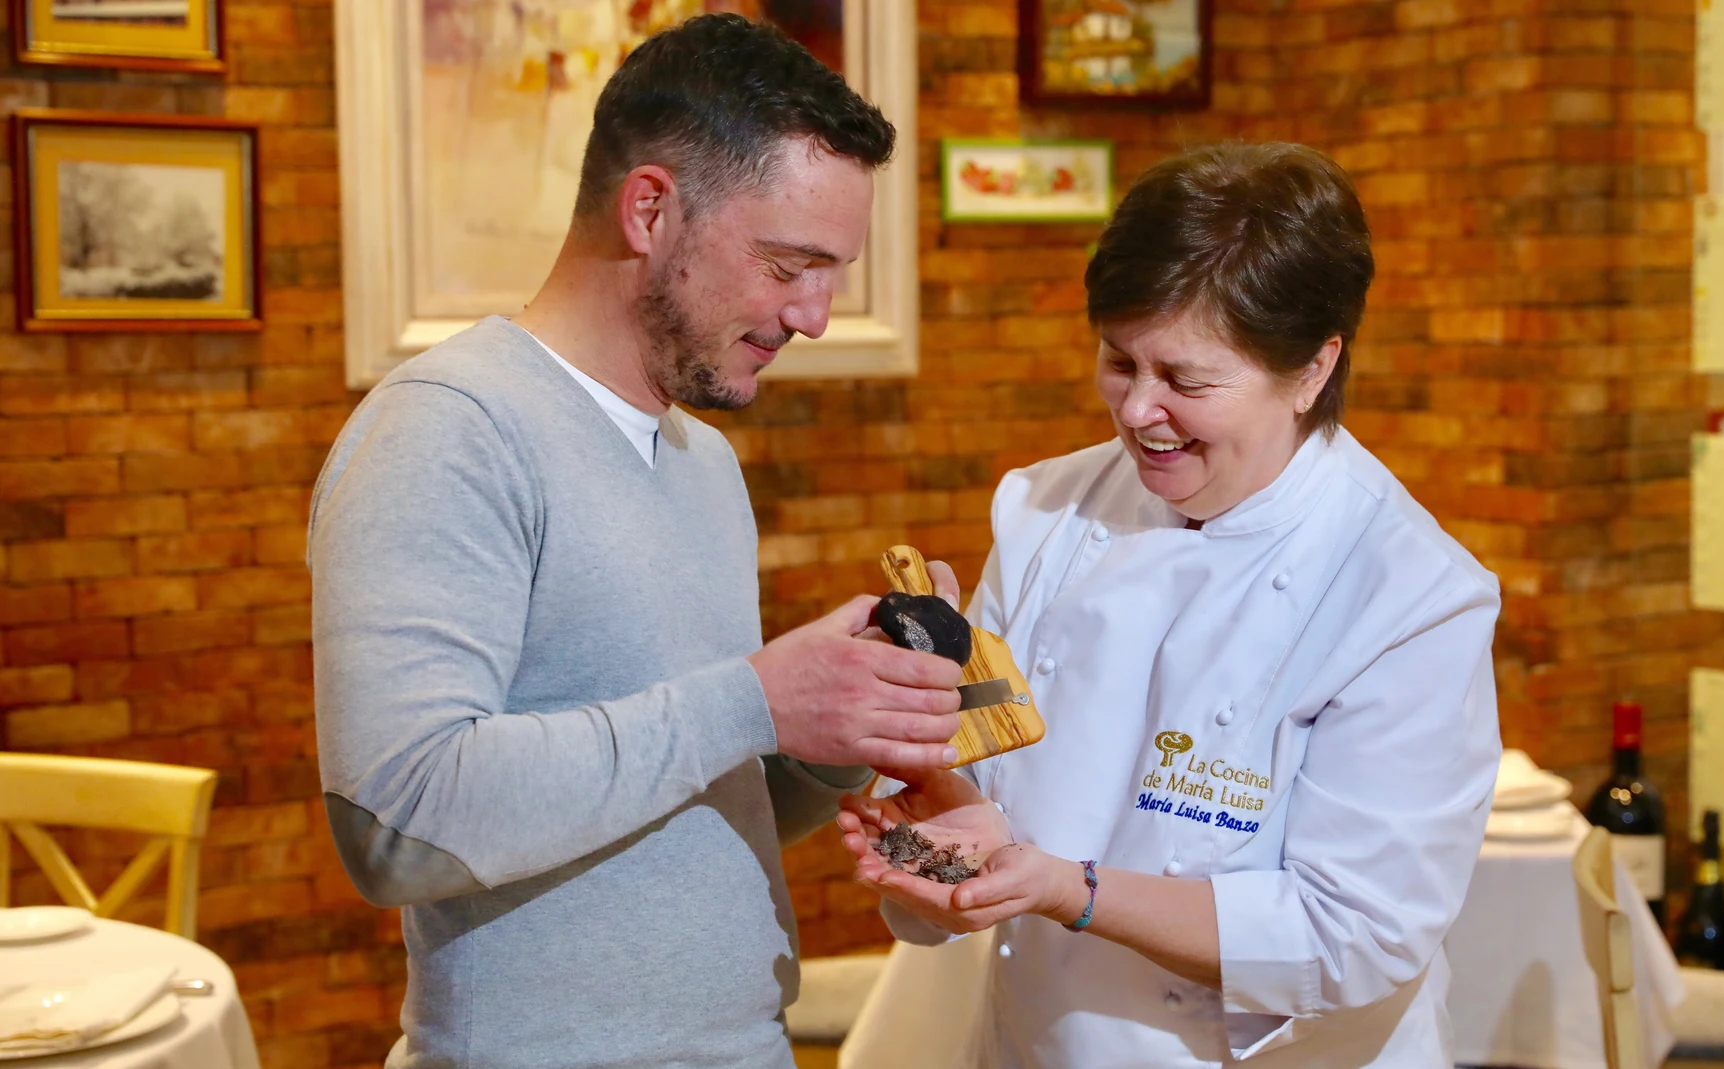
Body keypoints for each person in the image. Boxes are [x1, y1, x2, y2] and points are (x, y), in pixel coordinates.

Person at [308, 15, 965, 1069]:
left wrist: (828, 742)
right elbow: (402, 823)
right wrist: (753, 698)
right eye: (790, 263)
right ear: (651, 208)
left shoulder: (702, 459)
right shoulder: (447, 427)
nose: (816, 316)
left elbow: (685, 804)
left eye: (833, 272)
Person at [837, 143, 1503, 1067]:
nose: (1137, 411)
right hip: (1039, 1041)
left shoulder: (1408, 593)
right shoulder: (1044, 510)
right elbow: (982, 787)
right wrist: (943, 820)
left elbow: (1353, 933)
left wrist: (1070, 889)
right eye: (1120, 361)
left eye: (1186, 380)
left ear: (1313, 369)